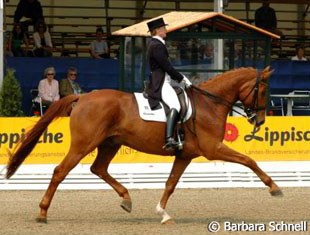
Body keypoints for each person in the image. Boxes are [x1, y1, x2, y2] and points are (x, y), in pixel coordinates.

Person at [145, 17, 192, 150]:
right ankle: (169, 138)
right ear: (157, 30)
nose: (166, 30)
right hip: (161, 82)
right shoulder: (157, 45)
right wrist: (181, 78)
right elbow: (166, 66)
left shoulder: (157, 44)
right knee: (175, 105)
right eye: (163, 28)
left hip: (165, 79)